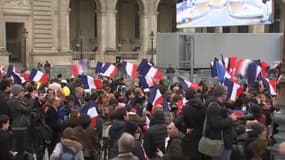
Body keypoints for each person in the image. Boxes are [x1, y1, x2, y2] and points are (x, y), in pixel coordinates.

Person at [205, 85, 237, 160]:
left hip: (223, 141)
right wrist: (231, 119)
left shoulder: (219, 105)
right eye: (226, 93)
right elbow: (216, 123)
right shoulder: (214, 106)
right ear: (223, 94)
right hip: (221, 142)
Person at [181, 88, 206, 160]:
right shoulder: (203, 106)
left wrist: (185, 129)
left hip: (191, 136)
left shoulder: (186, 108)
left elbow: (178, 122)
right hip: (203, 134)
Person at [9, 84, 32, 158]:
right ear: (17, 92)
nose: (23, 93)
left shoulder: (20, 100)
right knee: (18, 148)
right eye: (21, 91)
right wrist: (32, 100)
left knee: (21, 148)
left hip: (22, 126)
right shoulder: (15, 102)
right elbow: (27, 110)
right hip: (18, 127)